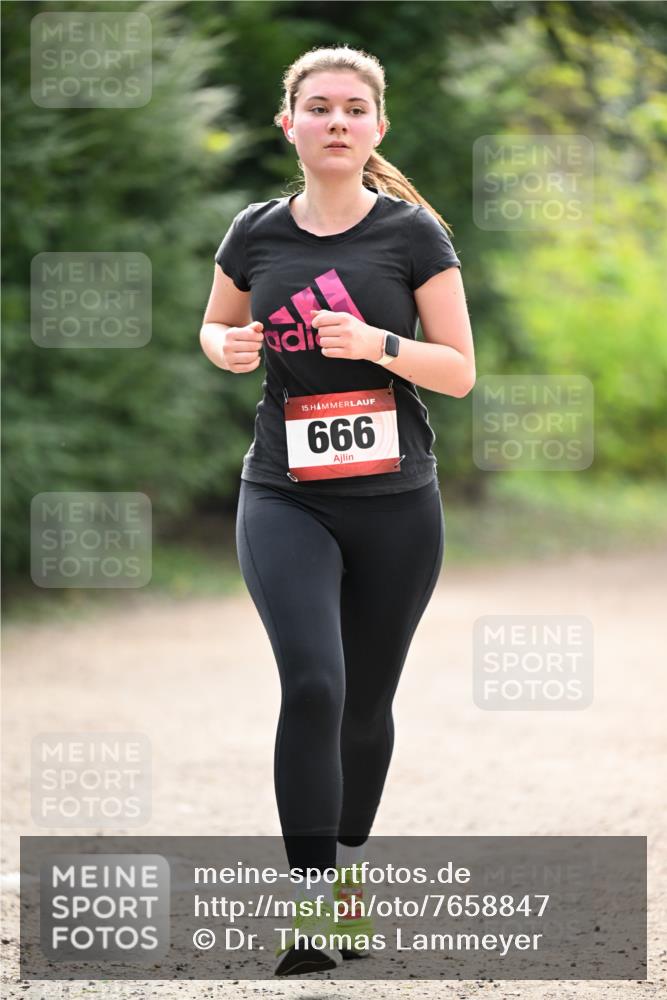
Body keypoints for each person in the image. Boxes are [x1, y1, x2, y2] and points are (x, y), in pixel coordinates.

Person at [200, 44, 475, 978]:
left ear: (376, 127)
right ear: (290, 123)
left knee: (364, 705)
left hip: (396, 502)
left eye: (354, 109)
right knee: (313, 685)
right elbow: (216, 321)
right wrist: (226, 348)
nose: (336, 122)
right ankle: (314, 913)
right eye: (317, 108)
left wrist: (376, 341)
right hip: (283, 493)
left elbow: (459, 370)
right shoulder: (255, 232)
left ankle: (348, 861)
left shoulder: (412, 237)